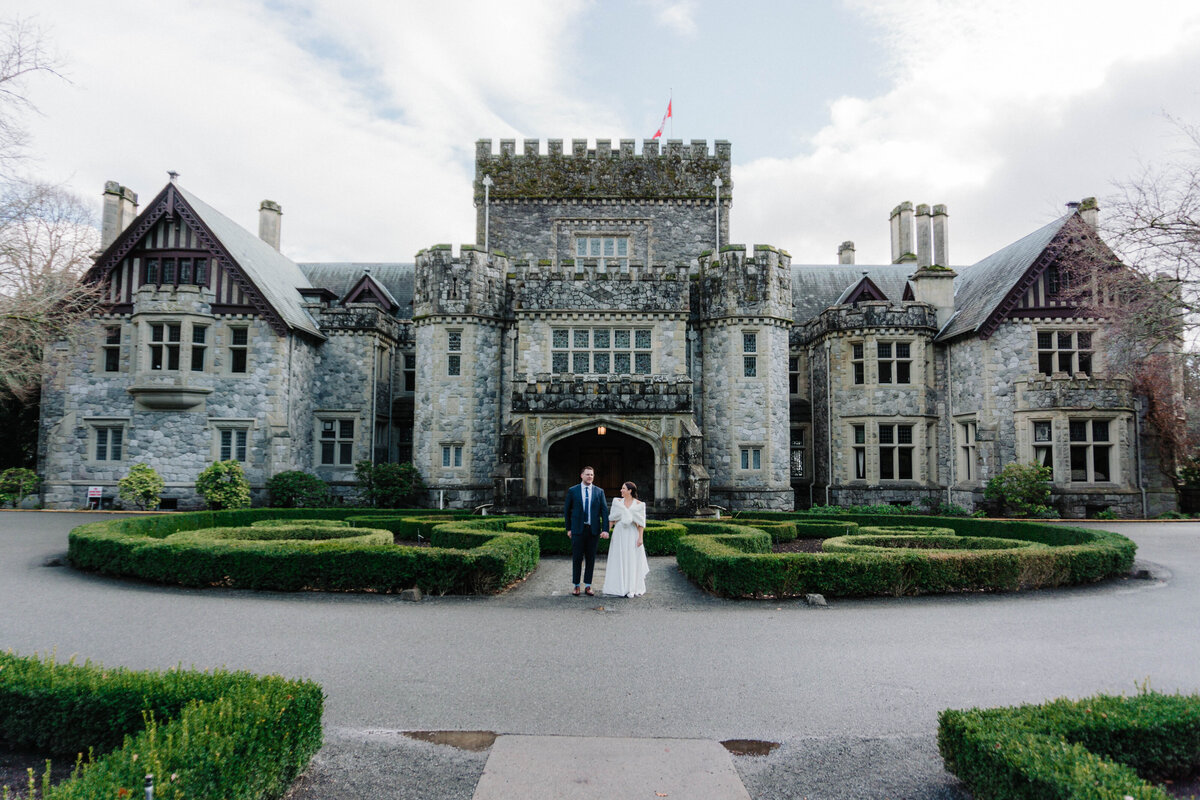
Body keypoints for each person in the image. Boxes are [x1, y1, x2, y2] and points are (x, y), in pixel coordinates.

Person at [564, 466, 609, 596]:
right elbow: (567, 511)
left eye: (592, 475)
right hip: (577, 530)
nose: (590, 476)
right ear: (581, 475)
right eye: (587, 474)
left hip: (593, 531)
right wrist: (568, 528)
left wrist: (605, 529)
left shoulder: (599, 492)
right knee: (577, 558)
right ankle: (576, 585)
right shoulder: (573, 491)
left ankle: (588, 586)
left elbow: (604, 512)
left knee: (591, 559)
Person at [602, 481, 649, 598]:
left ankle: (631, 587)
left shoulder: (639, 504)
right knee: (618, 558)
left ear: (630, 491)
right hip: (619, 533)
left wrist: (640, 538)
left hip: (632, 534)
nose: (621, 490)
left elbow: (641, 523)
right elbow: (612, 519)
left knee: (631, 559)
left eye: (623, 488)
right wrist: (606, 531)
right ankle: (618, 586)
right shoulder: (617, 502)